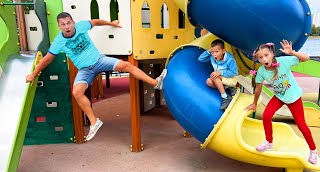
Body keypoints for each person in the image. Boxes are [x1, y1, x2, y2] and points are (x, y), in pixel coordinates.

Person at [26, 12, 167, 141]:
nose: (67, 26)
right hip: (85, 70)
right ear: (59, 26)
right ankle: (94, 122)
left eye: (69, 23)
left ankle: (155, 83)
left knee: (126, 65)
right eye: (63, 24)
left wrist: (113, 24)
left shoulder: (81, 26)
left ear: (73, 22)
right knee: (76, 92)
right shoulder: (59, 41)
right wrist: (33, 74)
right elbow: (47, 59)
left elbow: (96, 21)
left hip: (99, 60)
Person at [246, 40, 318, 164]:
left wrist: (292, 52)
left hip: (293, 97)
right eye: (260, 57)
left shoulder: (284, 61)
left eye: (266, 55)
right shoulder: (262, 71)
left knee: (301, 125)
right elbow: (258, 88)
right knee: (266, 115)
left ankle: (313, 150)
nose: (264, 59)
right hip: (279, 96)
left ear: (272, 54)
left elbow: (306, 58)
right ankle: (269, 142)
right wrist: (254, 102)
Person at [198, 39, 238, 110]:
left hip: (231, 79)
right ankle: (228, 88)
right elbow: (200, 59)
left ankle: (225, 97)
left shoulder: (229, 59)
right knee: (209, 82)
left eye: (217, 51)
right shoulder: (212, 57)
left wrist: (220, 72)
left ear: (223, 51)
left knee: (214, 76)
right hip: (220, 79)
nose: (214, 54)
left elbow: (234, 73)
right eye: (212, 52)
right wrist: (209, 51)